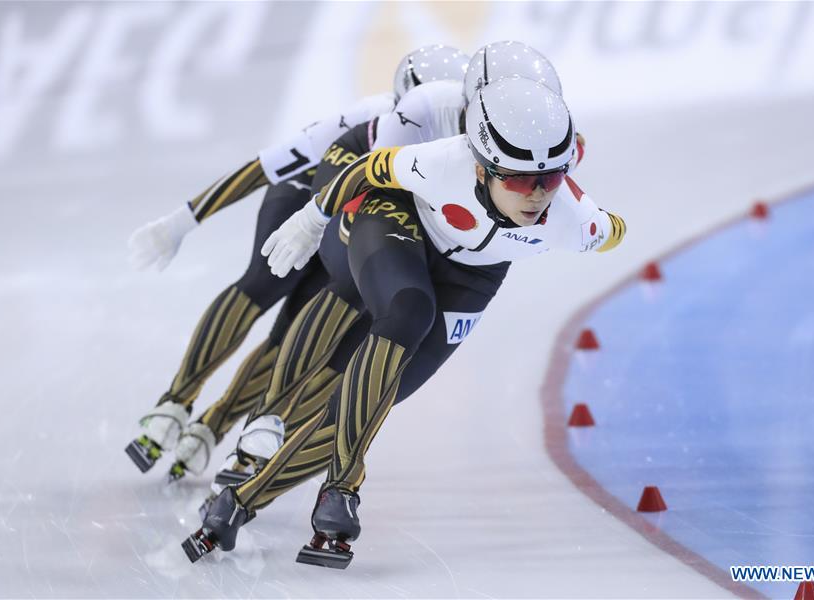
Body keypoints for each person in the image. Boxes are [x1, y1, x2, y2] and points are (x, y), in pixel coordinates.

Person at [182, 76, 625, 567]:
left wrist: (592, 209)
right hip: (399, 221)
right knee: (411, 309)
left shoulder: (575, 220)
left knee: (378, 396)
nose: (537, 194)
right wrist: (313, 219)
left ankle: (238, 502)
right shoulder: (444, 162)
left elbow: (611, 231)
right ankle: (342, 485)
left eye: (551, 178)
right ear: (481, 169)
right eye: (519, 179)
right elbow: (368, 167)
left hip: (473, 278)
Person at [124, 45, 471, 480]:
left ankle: (217, 427)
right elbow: (265, 166)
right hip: (307, 198)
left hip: (356, 225)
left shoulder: (458, 152)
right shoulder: (369, 117)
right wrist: (181, 221)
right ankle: (176, 401)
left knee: (298, 329)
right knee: (265, 280)